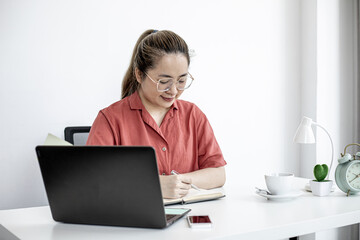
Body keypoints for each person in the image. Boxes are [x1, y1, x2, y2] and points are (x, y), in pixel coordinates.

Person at [86, 29, 226, 199]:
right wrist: (155, 184)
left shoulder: (193, 115)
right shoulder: (110, 119)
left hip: (188, 213)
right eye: (164, 82)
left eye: (181, 81)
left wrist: (178, 182)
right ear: (139, 74)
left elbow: (218, 174)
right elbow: (94, 180)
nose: (174, 90)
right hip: (133, 219)